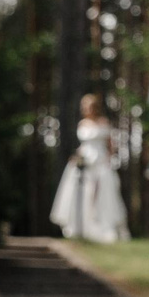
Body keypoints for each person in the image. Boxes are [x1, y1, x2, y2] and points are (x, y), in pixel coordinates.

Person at [50, 93, 129, 242]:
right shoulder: (82, 124)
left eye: (90, 106)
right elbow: (83, 145)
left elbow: (111, 145)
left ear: (95, 107)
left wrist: (109, 159)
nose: (87, 109)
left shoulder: (104, 122)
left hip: (101, 161)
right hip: (85, 161)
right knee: (82, 192)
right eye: (85, 106)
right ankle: (81, 226)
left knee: (104, 192)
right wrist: (77, 157)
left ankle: (104, 226)